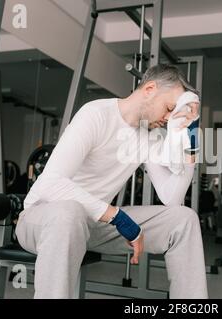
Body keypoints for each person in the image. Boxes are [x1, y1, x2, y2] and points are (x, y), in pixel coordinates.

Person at [15, 64, 208, 299]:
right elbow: (50, 183)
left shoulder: (148, 136)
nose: (168, 119)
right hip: (44, 218)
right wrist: (117, 216)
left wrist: (191, 146)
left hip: (95, 226)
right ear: (149, 89)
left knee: (184, 219)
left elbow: (172, 198)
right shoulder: (96, 114)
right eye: (168, 108)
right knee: (69, 212)